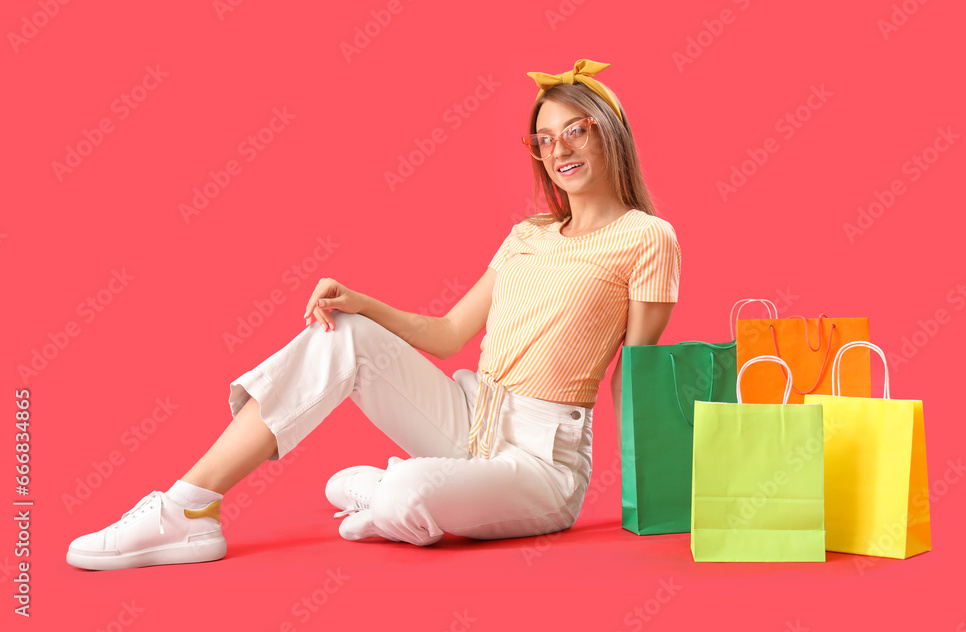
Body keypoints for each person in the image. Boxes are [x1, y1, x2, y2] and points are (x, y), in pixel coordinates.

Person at [65, 58, 681, 571]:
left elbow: (638, 371)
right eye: (544, 139)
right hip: (468, 416)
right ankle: (188, 508)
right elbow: (447, 335)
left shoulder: (647, 238)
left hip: (542, 462)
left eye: (576, 131)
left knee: (410, 491)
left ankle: (395, 493)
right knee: (347, 335)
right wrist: (361, 303)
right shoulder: (529, 234)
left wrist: (656, 491)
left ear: (610, 131)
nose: (559, 150)